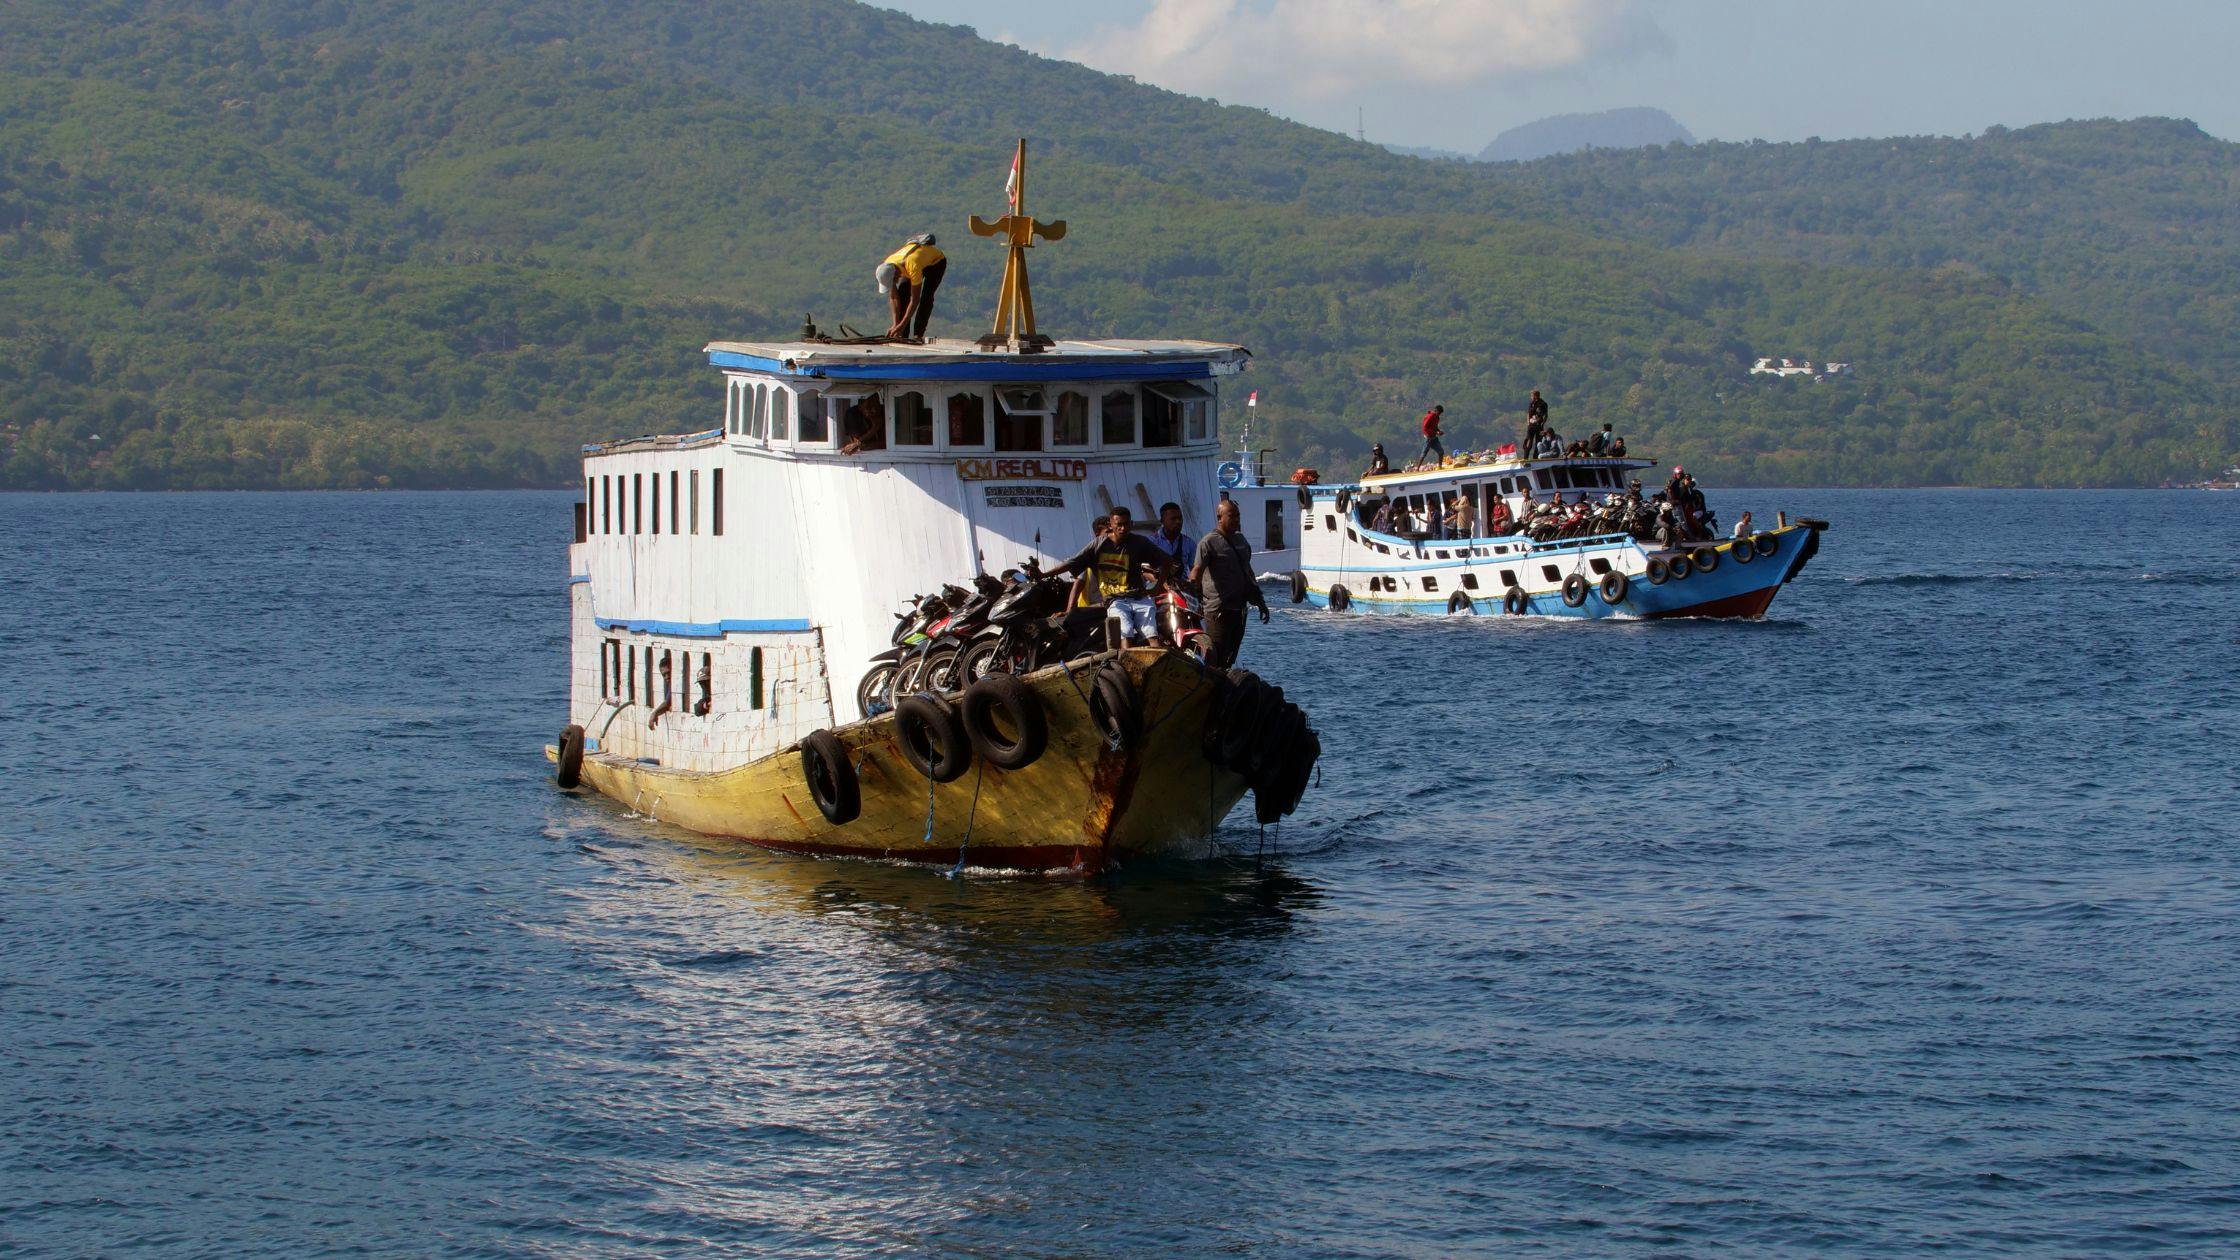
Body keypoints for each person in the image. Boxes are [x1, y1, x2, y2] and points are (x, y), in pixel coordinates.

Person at [1057, 506, 1176, 647]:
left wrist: (1158, 586)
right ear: (1111, 525)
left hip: (1137, 598)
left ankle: (1158, 660)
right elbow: (1073, 569)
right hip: (1111, 601)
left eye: (1126, 524)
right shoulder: (1097, 548)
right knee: (1125, 636)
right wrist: (1068, 609)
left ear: (1131, 524)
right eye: (1118, 525)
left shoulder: (1138, 543)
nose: (1122, 529)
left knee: (1152, 636)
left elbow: (1162, 563)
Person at [1189, 499, 1270, 669]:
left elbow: (1248, 572)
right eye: (1232, 516)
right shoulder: (1208, 542)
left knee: (1230, 657)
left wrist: (1260, 602)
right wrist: (1195, 600)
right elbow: (1196, 571)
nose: (1236, 520)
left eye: (1238, 516)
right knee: (1215, 656)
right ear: (1220, 517)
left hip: (1239, 609)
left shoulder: (1241, 540)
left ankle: (1225, 682)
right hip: (1218, 611)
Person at [875, 233, 946, 341]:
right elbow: (894, 297)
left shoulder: (912, 265)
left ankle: (918, 334)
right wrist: (895, 324)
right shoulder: (887, 266)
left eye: (893, 281)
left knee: (926, 297)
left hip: (935, 264)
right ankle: (902, 335)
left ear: (895, 274)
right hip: (912, 264)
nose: (894, 283)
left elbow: (915, 300)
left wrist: (901, 325)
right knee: (903, 295)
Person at [1149, 501, 1196, 571]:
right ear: (1162, 521)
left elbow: (1194, 570)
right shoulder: (1152, 542)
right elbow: (1145, 571)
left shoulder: (1189, 543)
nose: (1178, 522)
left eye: (1180, 518)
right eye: (1173, 519)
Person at [647, 655, 674, 729]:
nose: (667, 677)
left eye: (668, 673)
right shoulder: (669, 685)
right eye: (664, 675)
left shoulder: (674, 684)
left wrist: (654, 713)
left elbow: (667, 703)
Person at [1523, 389, 1549, 454]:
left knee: (1538, 441)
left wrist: (1542, 423)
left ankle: (1535, 456)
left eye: (1532, 396)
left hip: (1539, 425)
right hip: (1531, 425)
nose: (1531, 397)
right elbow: (1528, 413)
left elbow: (1545, 415)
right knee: (1529, 440)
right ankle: (1526, 456)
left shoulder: (1543, 404)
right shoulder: (1531, 403)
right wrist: (1528, 423)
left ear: (1536, 396)